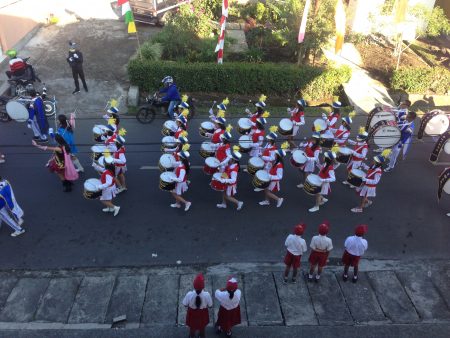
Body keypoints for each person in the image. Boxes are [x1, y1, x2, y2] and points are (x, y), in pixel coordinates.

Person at [182, 273, 212, 338]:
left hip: (192, 314)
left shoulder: (189, 294)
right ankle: (201, 336)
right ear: (203, 286)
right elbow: (210, 305)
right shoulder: (207, 295)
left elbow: (184, 304)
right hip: (203, 314)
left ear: (194, 285)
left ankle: (192, 336)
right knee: (202, 328)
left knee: (192, 328)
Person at [170, 145, 192, 211]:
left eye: (179, 156)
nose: (178, 156)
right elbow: (175, 163)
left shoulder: (182, 168)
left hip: (180, 183)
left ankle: (187, 203)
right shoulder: (182, 163)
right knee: (175, 193)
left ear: (181, 158)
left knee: (174, 193)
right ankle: (177, 203)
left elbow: (180, 179)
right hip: (180, 182)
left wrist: (173, 178)